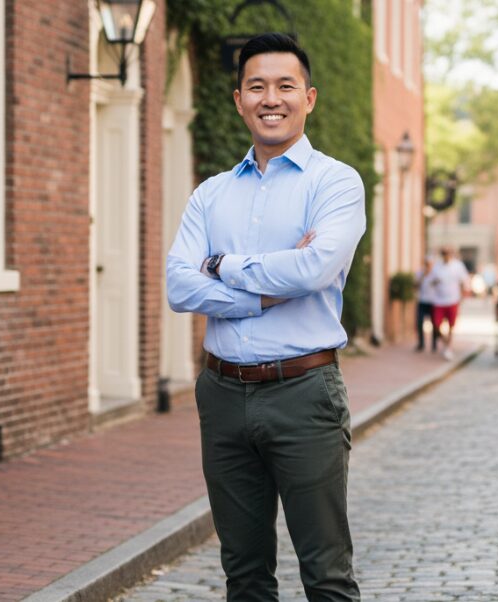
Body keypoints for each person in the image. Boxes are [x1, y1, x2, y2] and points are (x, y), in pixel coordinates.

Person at [166, 33, 363, 601]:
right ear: (238, 100)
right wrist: (261, 293)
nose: (270, 99)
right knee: (244, 576)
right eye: (257, 86)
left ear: (309, 98)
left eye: (285, 86)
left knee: (326, 575)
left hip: (304, 393)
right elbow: (180, 285)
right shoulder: (211, 194)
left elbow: (314, 270)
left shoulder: (335, 182)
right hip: (223, 396)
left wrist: (222, 265)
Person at [428, 246, 470, 360]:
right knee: (436, 325)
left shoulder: (457, 266)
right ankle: (446, 342)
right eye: (444, 254)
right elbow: (430, 281)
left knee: (451, 326)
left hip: (452, 300)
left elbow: (464, 281)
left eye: (448, 253)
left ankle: (449, 347)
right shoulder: (437, 267)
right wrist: (435, 282)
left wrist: (462, 295)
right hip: (439, 301)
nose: (446, 256)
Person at [415, 255, 439, 352]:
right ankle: (421, 343)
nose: (428, 266)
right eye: (426, 264)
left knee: (434, 323)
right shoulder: (420, 273)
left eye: (429, 264)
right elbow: (415, 285)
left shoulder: (435, 274)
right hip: (422, 301)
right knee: (420, 322)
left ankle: (434, 344)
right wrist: (422, 276)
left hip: (433, 302)